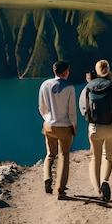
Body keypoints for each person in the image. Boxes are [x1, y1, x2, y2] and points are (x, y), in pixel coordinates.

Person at [78, 59, 112, 201]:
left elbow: (82, 109)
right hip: (111, 127)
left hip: (94, 128)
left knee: (95, 158)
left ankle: (98, 189)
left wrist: (92, 119)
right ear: (108, 70)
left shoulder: (88, 87)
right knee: (108, 157)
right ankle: (105, 182)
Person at [38, 60, 78, 200]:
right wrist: (74, 125)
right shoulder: (70, 88)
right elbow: (72, 111)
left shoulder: (44, 85)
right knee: (64, 155)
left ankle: (47, 179)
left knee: (50, 154)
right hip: (65, 127)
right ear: (66, 71)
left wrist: (47, 119)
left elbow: (41, 107)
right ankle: (60, 189)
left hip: (49, 126)